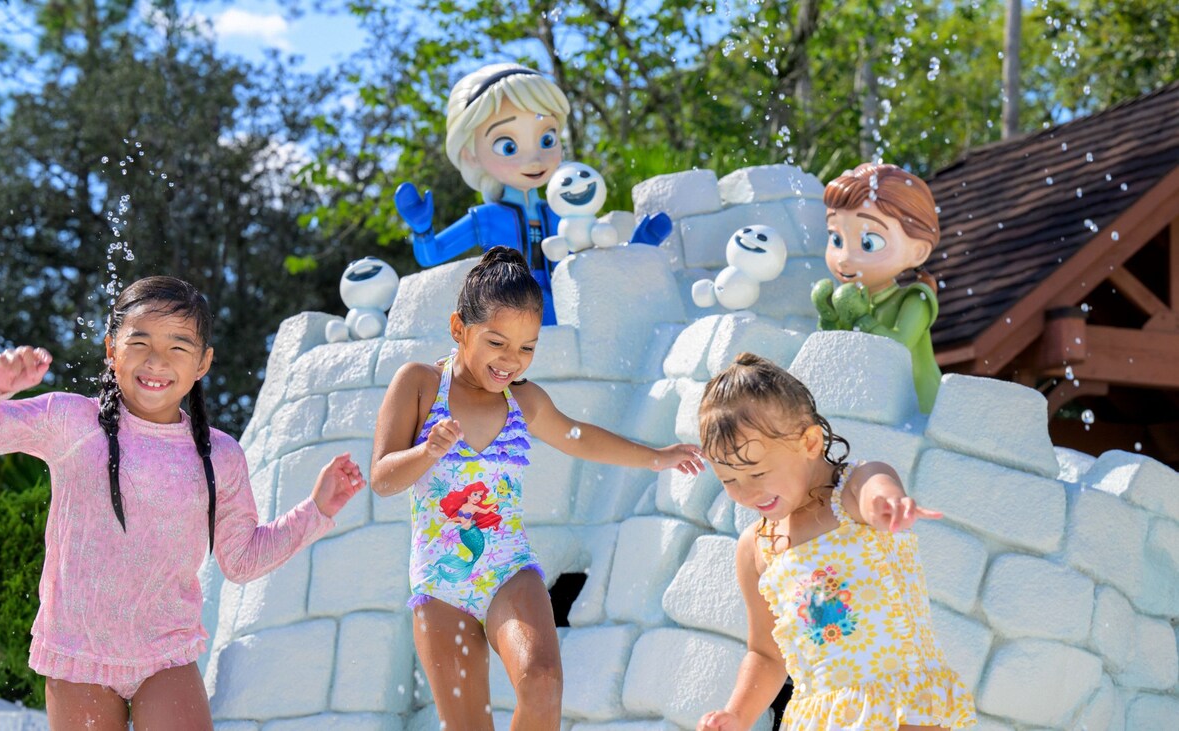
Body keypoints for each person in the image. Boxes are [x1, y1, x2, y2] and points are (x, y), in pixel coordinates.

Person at [0, 276, 365, 730]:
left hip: (165, 655)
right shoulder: (69, 422)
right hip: (78, 653)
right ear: (111, 349)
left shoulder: (219, 455)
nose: (156, 360)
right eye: (139, 342)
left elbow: (240, 559)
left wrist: (317, 510)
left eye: (179, 346)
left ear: (203, 362)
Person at [370, 247, 702, 730]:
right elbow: (382, 479)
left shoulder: (523, 400)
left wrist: (657, 456)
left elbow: (578, 436)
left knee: (543, 681)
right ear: (459, 329)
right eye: (497, 342)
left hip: (508, 566)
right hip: (441, 583)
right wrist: (427, 453)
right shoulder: (420, 383)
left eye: (526, 348)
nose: (511, 361)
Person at [695, 353, 975, 731]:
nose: (746, 492)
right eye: (729, 480)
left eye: (757, 472)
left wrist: (888, 504)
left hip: (899, 707)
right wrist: (737, 714)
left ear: (809, 441)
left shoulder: (851, 492)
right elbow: (765, 652)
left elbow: (877, 490)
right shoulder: (757, 547)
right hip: (822, 718)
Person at [393, 62, 672, 325]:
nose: (535, 158)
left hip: (566, 302)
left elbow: (595, 255)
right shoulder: (487, 218)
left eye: (547, 139)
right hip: (509, 311)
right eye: (508, 146)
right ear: (471, 155)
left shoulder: (560, 211)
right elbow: (431, 255)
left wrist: (636, 249)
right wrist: (422, 229)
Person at [811, 162, 943, 411]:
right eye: (836, 239)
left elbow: (896, 349)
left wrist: (861, 316)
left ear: (918, 251)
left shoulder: (916, 299)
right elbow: (831, 351)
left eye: (869, 243)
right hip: (865, 405)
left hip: (916, 410)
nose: (845, 257)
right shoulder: (848, 300)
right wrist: (828, 316)